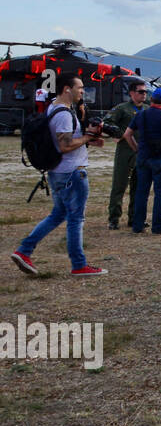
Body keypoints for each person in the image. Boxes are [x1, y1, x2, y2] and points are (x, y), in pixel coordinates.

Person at [10, 74, 107, 277]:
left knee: (58, 215)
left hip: (58, 172)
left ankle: (24, 251)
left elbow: (66, 142)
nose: (82, 91)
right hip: (71, 173)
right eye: (79, 88)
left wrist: (90, 139)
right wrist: (87, 136)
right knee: (75, 219)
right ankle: (79, 265)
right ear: (66, 89)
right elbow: (64, 145)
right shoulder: (63, 114)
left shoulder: (53, 107)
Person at [123, 87, 161, 235]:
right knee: (160, 193)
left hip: (143, 158)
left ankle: (137, 225)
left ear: (151, 100)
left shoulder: (141, 115)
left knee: (141, 192)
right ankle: (158, 226)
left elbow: (127, 134)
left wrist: (136, 149)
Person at [105, 78, 148, 230]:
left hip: (142, 154)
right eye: (140, 92)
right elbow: (107, 123)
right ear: (131, 93)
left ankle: (135, 218)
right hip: (125, 152)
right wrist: (118, 134)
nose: (144, 95)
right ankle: (114, 218)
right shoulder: (122, 108)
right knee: (119, 186)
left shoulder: (148, 110)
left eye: (145, 92)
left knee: (139, 188)